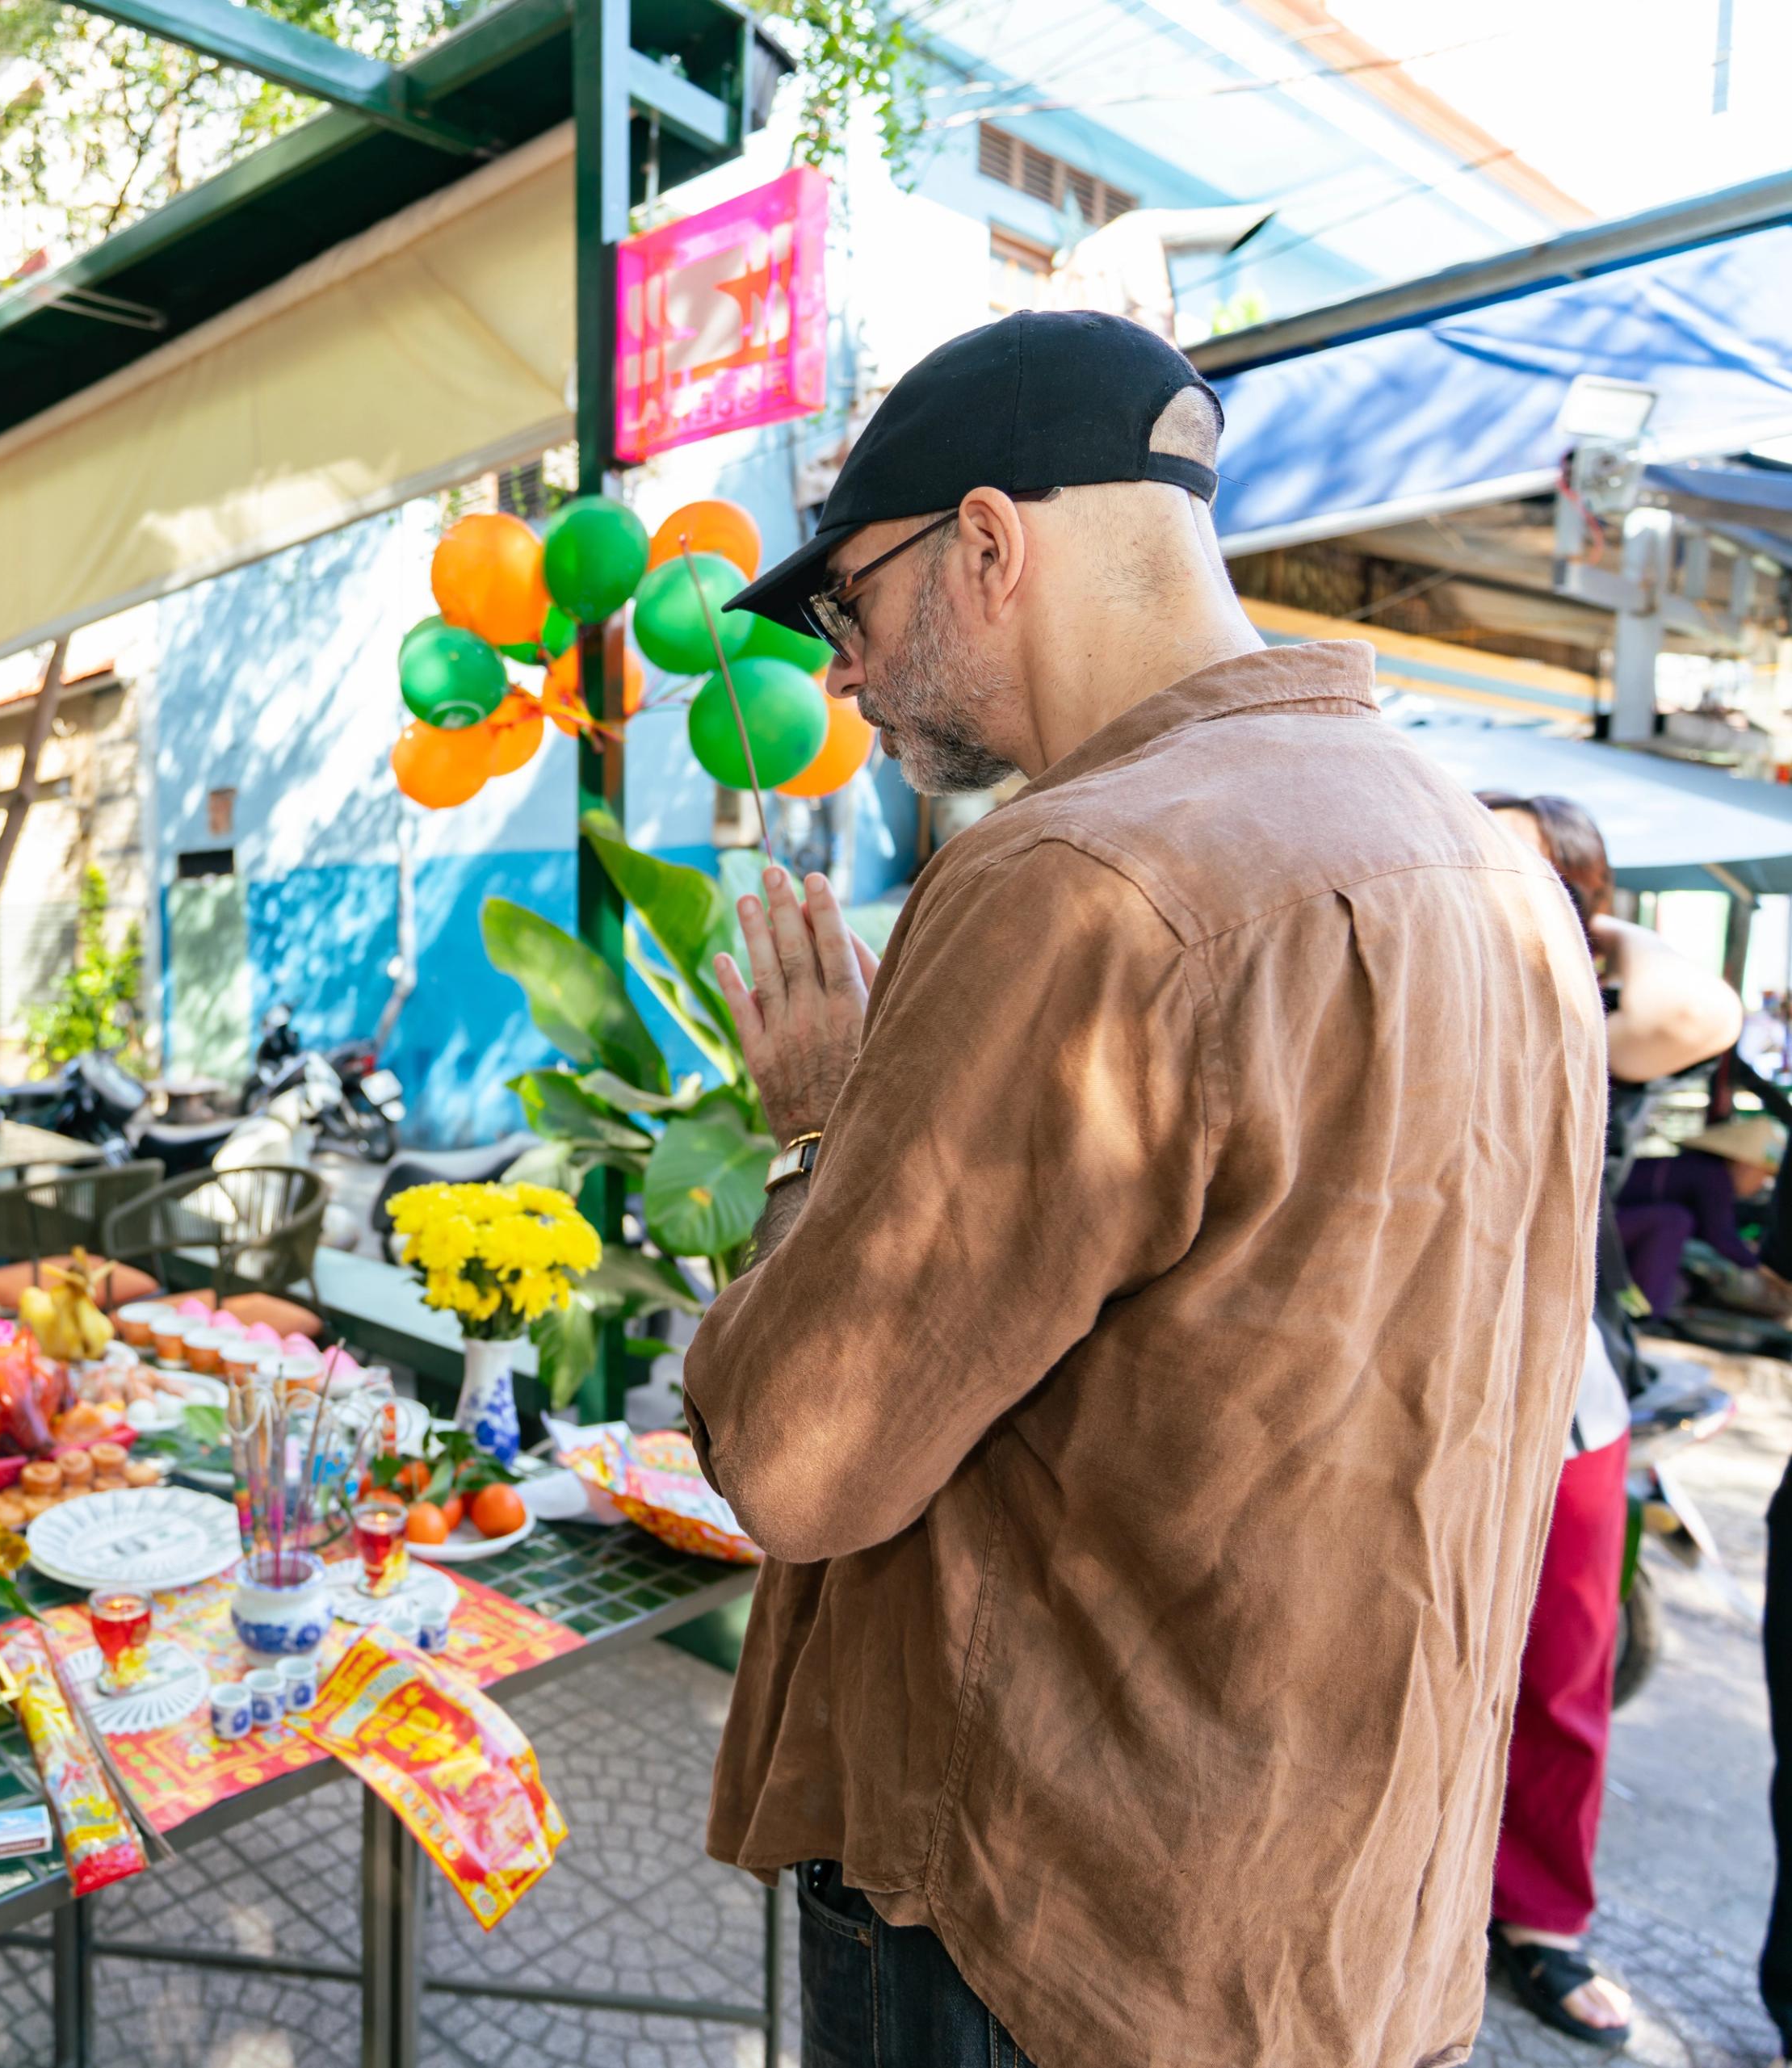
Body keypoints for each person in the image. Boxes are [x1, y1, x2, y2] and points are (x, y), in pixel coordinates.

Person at [681, 310, 1601, 2067]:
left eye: (847, 603)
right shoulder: (1490, 866)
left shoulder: (1082, 873)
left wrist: (816, 1119)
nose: (848, 671)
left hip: (1046, 1939)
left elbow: (800, 1458)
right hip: (1352, 1935)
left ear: (988, 542)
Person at [1477, 791, 1740, 2046]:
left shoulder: (1597, 1020)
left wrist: (1583, 926)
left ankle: (1540, 1925)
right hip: (1395, 1393)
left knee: (1561, 1671)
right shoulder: (1411, 986)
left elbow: (1716, 1011)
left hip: (1566, 1396)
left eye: (1518, 865)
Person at [1616, 1118, 1786, 1320]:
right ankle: (1642, 1312)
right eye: (1763, 1175)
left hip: (1615, 1225)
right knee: (1675, 1220)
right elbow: (1721, 1236)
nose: (1762, 1184)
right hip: (1603, 1226)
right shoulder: (1713, 1176)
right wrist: (1767, 1272)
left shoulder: (1703, 1169)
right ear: (1744, 1165)